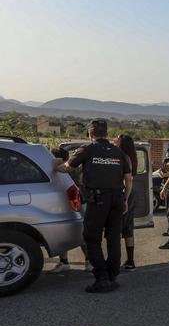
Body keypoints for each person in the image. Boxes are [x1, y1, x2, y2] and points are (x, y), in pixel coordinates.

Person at [55, 120, 132, 293]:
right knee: (113, 238)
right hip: (117, 199)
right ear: (106, 134)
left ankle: (102, 278)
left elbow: (68, 167)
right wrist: (125, 199)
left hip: (98, 200)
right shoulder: (119, 152)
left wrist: (55, 167)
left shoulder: (87, 150)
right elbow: (129, 179)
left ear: (90, 135)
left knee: (91, 237)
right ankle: (113, 276)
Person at [115, 134, 139, 270]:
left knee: (118, 227)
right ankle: (130, 261)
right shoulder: (132, 156)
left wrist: (124, 198)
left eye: (117, 139)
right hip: (130, 193)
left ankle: (116, 261)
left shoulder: (124, 157)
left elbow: (127, 180)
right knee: (128, 228)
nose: (115, 141)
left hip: (125, 193)